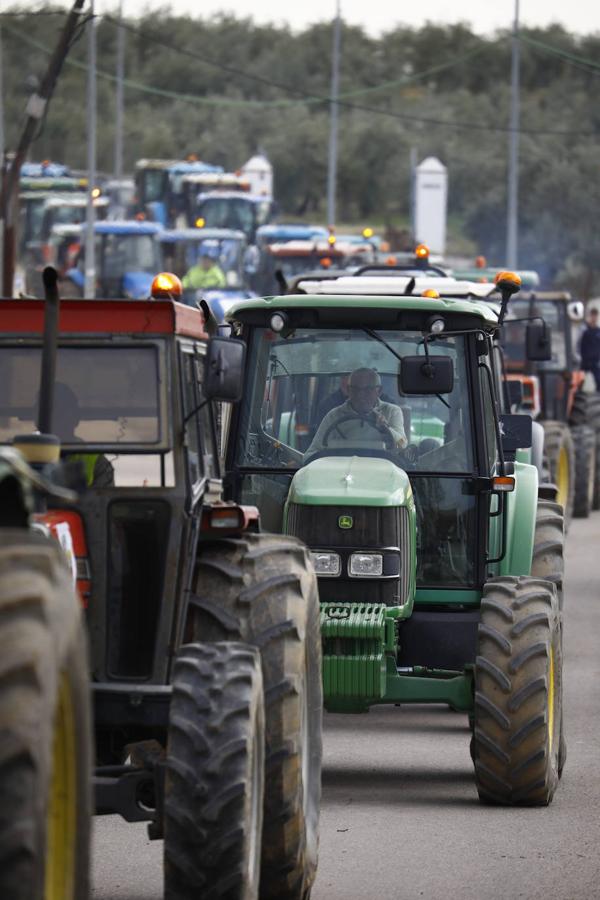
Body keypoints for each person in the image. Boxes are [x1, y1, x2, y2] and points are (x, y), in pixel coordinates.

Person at [307, 367, 407, 455]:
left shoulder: (392, 412)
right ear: (348, 390)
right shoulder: (334, 416)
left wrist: (385, 428)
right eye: (355, 389)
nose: (360, 395)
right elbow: (312, 453)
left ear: (379, 391)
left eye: (368, 389)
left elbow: (403, 445)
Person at [53, 383, 114, 487]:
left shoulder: (98, 462)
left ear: (75, 418)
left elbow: (102, 501)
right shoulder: (21, 458)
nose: (57, 420)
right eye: (54, 414)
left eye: (62, 413)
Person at [580, 307, 600, 391]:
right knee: (580, 381)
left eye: (595, 316)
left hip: (595, 361)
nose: (594, 318)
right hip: (585, 360)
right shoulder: (585, 330)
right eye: (592, 315)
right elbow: (579, 345)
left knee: (598, 380)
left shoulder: (598, 331)